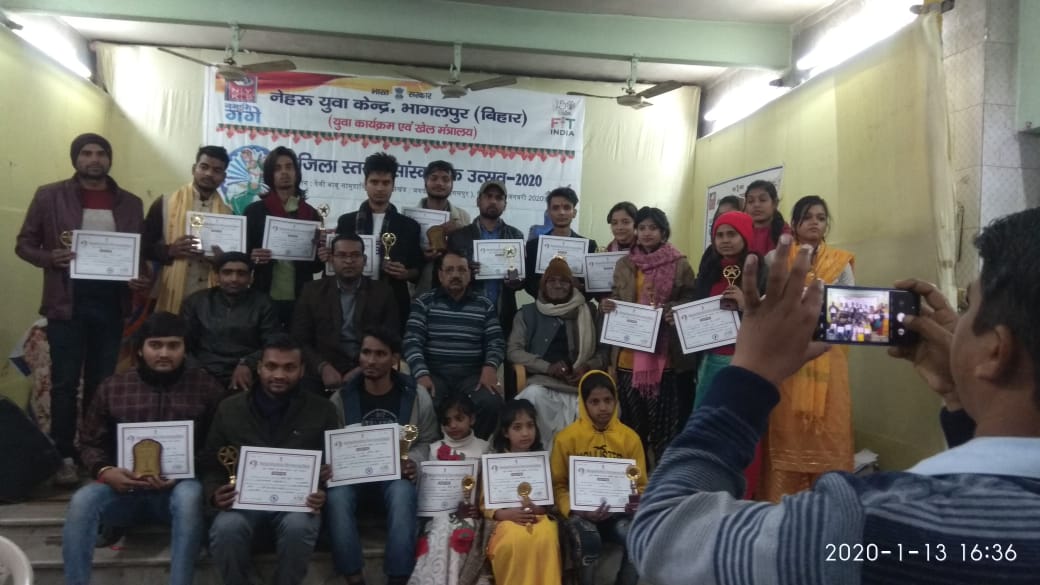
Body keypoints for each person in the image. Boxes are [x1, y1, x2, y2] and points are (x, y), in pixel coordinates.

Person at [630, 217, 1040, 585]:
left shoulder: (875, 525)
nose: (957, 321)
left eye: (967, 307)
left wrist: (750, 373)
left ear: (995, 351)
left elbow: (665, 534)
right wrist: (967, 403)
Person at [15, 133, 149, 485]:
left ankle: (95, 455)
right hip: (66, 302)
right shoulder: (50, 195)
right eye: (86, 153)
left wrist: (138, 276)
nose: (94, 159)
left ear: (109, 159)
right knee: (65, 384)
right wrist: (50, 257)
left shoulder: (131, 203)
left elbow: (138, 252)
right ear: (75, 159)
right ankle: (63, 455)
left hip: (111, 304)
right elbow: (24, 244)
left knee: (101, 383)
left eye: (101, 153)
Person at [63, 312, 223, 585]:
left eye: (173, 345)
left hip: (177, 490)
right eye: (155, 345)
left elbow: (218, 446)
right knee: (82, 500)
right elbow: (89, 442)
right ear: (140, 349)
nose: (164, 353)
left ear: (185, 349)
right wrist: (105, 471)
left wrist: (186, 469)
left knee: (190, 495)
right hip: (124, 490)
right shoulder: (114, 387)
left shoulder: (206, 387)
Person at [203, 338, 338, 585]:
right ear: (259, 367)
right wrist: (214, 494)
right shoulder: (230, 409)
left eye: (289, 367)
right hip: (243, 503)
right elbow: (211, 464)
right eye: (271, 366)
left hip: (296, 505)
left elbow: (332, 468)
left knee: (299, 526)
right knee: (226, 528)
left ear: (302, 370)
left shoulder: (322, 410)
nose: (279, 375)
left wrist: (323, 491)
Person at [326, 328, 438, 585]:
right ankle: (353, 576)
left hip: (395, 476)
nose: (371, 360)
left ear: (394, 359)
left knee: (402, 491)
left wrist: (413, 461)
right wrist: (330, 466)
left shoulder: (416, 395)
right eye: (366, 353)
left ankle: (398, 576)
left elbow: (428, 440)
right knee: (337, 496)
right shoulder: (341, 398)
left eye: (380, 354)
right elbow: (332, 445)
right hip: (353, 479)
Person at [761, 195, 855, 501]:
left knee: (830, 420)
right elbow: (767, 305)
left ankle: (830, 500)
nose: (815, 222)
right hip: (788, 355)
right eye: (808, 217)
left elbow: (851, 311)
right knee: (786, 420)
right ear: (795, 223)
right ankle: (782, 502)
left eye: (821, 217)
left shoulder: (841, 262)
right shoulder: (774, 259)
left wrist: (820, 302)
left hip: (829, 353)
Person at [601, 207, 696, 463]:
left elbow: (691, 298)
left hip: (665, 357)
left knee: (665, 427)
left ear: (663, 232)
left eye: (653, 228)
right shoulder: (625, 263)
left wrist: (673, 308)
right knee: (633, 425)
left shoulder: (680, 263)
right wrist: (607, 304)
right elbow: (616, 297)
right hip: (628, 356)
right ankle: (635, 475)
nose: (646, 233)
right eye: (642, 228)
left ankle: (661, 477)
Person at [690, 211, 766, 498]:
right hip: (709, 362)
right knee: (706, 430)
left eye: (732, 234)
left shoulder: (761, 272)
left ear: (745, 235)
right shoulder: (708, 271)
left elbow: (772, 321)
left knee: (742, 431)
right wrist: (682, 321)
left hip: (746, 364)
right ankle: (706, 493)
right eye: (719, 235)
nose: (725, 240)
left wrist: (748, 306)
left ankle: (741, 496)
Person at [550, 371, 645, 585]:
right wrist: (576, 509)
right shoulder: (566, 439)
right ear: (583, 403)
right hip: (580, 515)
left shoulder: (630, 439)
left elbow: (641, 484)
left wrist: (634, 503)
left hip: (618, 515)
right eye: (595, 402)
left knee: (636, 536)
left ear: (615, 400)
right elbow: (558, 486)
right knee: (589, 538)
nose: (603, 408)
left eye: (608, 400)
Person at [404, 251, 505, 439]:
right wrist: (421, 374)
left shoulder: (484, 305)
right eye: (449, 270)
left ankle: (476, 449)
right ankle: (435, 450)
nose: (456, 275)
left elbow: (496, 341)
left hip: (472, 376)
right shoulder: (424, 302)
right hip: (434, 375)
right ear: (440, 275)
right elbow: (412, 341)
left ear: (470, 274)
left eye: (461, 270)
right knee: (422, 402)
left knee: (491, 402)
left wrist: (490, 367)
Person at [510, 257, 604, 451]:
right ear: (543, 285)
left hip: (581, 383)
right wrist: (547, 367)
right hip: (543, 383)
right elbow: (514, 351)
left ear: (572, 285)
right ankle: (541, 460)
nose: (558, 285)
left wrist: (587, 367)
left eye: (564, 281)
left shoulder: (589, 311)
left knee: (600, 408)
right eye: (551, 280)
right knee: (531, 398)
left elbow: (604, 352)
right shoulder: (527, 313)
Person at [292, 234, 399, 394]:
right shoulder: (312, 291)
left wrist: (362, 369)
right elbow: (300, 339)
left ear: (364, 260)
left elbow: (392, 337)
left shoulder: (383, 292)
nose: (349, 261)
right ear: (332, 259)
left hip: (369, 367)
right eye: (342, 255)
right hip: (322, 368)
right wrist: (323, 367)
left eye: (355, 255)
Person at [336, 152, 423, 332]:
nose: (380, 188)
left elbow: (418, 268)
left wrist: (405, 273)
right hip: (351, 298)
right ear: (365, 184)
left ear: (393, 185)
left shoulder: (409, 226)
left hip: (393, 301)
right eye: (374, 182)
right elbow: (336, 260)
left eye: (385, 183)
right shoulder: (346, 222)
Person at [481, 400, 562, 585]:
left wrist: (539, 509)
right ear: (505, 432)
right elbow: (484, 504)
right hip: (505, 522)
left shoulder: (541, 460)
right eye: (517, 427)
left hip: (537, 518)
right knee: (513, 540)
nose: (525, 433)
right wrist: (505, 514)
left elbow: (549, 503)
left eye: (530, 426)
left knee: (547, 536)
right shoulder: (494, 462)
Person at [144, 145, 232, 313]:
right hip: (169, 290)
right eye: (204, 167)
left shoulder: (229, 214)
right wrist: (170, 250)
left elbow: (233, 260)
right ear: (194, 169)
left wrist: (222, 260)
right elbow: (144, 246)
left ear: (223, 177)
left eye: (217, 170)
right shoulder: (165, 203)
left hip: (211, 296)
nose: (209, 174)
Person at [409, 394, 487, 585]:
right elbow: (427, 489)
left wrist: (478, 508)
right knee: (440, 530)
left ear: (472, 419)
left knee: (460, 531)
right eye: (447, 421)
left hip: (473, 515)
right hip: (439, 515)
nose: (453, 425)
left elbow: (488, 488)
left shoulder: (484, 448)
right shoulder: (434, 449)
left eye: (459, 418)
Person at [244, 146, 325, 326]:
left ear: (297, 173)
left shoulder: (311, 214)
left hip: (301, 297)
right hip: (263, 295)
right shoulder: (254, 212)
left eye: (289, 167)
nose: (284, 172)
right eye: (277, 168)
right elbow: (242, 257)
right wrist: (252, 257)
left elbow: (316, 267)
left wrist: (321, 253)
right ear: (269, 175)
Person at [180, 252, 281, 391]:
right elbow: (183, 344)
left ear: (250, 277)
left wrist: (247, 363)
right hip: (203, 370)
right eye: (227, 273)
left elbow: (272, 343)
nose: (234, 279)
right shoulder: (196, 302)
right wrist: (197, 370)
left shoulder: (264, 304)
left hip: (248, 371)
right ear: (216, 276)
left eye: (241, 273)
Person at [447, 180, 526, 340]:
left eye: (499, 198)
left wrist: (516, 281)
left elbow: (521, 281)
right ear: (478, 201)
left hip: (503, 314)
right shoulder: (459, 236)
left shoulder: (516, 235)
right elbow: (447, 277)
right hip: (467, 312)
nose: (493, 201)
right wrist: (465, 273)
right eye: (488, 196)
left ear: (505, 205)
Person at [524, 187, 598, 298]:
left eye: (567, 207)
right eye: (555, 208)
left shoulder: (589, 246)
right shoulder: (533, 246)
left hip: (578, 306)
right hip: (543, 306)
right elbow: (528, 284)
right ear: (549, 212)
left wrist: (580, 288)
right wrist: (546, 288)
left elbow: (593, 288)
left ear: (574, 213)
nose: (561, 212)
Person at [416, 160, 472, 294]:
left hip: (454, 291)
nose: (439, 183)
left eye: (446, 179)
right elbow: (405, 258)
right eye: (434, 178)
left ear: (452, 185)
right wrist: (421, 256)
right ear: (425, 182)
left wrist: (460, 231)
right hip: (420, 289)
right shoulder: (410, 218)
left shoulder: (463, 217)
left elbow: (468, 256)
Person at [695, 195, 743, 278]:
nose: (724, 220)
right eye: (721, 216)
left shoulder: (753, 259)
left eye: (730, 216)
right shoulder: (710, 254)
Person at [743, 180, 791, 256]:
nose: (756, 205)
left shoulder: (786, 233)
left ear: (775, 203)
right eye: (751, 201)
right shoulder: (741, 233)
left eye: (762, 200)